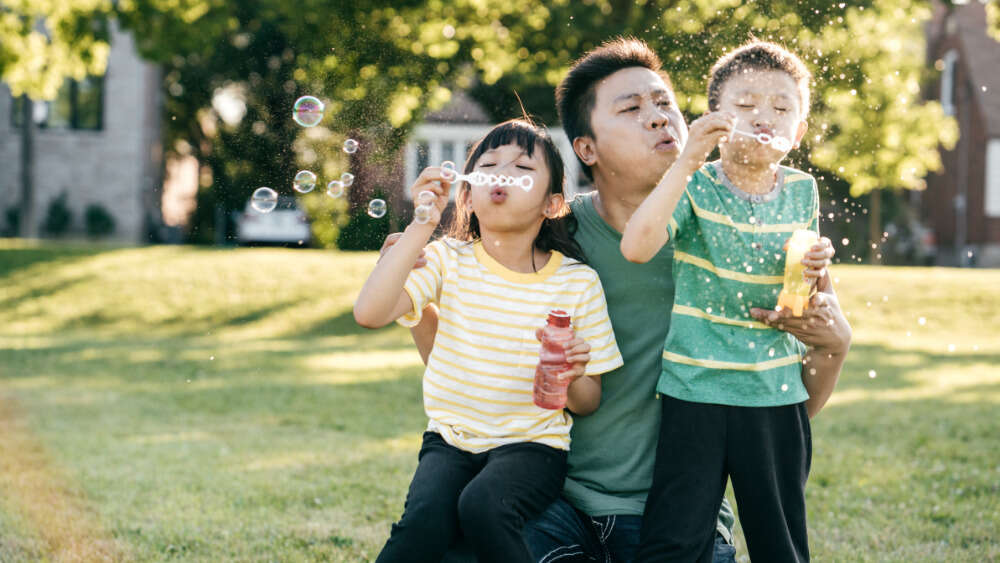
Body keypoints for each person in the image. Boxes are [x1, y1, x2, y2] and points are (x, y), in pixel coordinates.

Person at [393, 38, 851, 563]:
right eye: (632, 109)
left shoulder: (746, 232)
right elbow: (467, 359)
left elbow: (784, 407)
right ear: (586, 149)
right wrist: (417, 301)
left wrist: (836, 347)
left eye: (665, 104)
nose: (658, 119)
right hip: (556, 499)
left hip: (675, 516)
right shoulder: (546, 233)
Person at [354, 118, 624, 563]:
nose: (502, 173)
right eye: (490, 164)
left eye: (522, 168)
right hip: (450, 441)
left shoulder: (577, 283)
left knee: (483, 505)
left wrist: (573, 375)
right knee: (423, 523)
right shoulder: (447, 259)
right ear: (467, 194)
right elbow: (369, 313)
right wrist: (424, 220)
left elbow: (588, 401)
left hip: (534, 448)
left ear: (553, 204)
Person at [621, 41, 830, 562]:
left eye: (782, 108)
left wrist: (810, 287)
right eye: (746, 104)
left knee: (780, 542)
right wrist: (686, 162)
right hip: (696, 391)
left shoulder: (803, 190)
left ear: (798, 131)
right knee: (674, 538)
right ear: (715, 117)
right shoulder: (694, 186)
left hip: (775, 394)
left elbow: (803, 296)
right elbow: (637, 246)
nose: (765, 117)